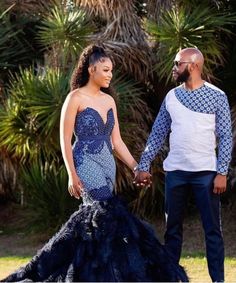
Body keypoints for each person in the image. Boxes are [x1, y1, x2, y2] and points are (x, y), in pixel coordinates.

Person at [1, 45, 188, 282]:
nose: (110, 74)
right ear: (92, 69)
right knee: (106, 211)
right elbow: (64, 139)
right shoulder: (75, 98)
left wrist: (136, 167)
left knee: (101, 222)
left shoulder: (109, 100)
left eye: (111, 70)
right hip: (84, 159)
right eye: (106, 70)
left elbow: (117, 141)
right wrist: (71, 173)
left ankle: (94, 273)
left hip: (107, 163)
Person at [134, 47, 232, 282]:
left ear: (194, 65)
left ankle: (218, 280)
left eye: (178, 63)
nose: (174, 67)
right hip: (175, 173)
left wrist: (222, 172)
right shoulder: (171, 97)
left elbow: (226, 136)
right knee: (172, 232)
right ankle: (171, 278)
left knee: (213, 232)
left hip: (206, 175)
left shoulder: (217, 96)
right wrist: (143, 164)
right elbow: (157, 134)